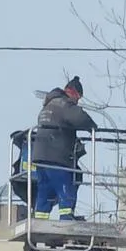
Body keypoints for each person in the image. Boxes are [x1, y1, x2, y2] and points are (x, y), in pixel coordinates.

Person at [29, 77, 96, 220]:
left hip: (41, 158)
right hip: (57, 157)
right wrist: (93, 127)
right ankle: (66, 218)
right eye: (78, 98)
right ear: (74, 93)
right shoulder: (64, 104)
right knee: (67, 185)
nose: (77, 101)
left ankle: (40, 219)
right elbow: (79, 117)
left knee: (45, 191)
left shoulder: (48, 105)